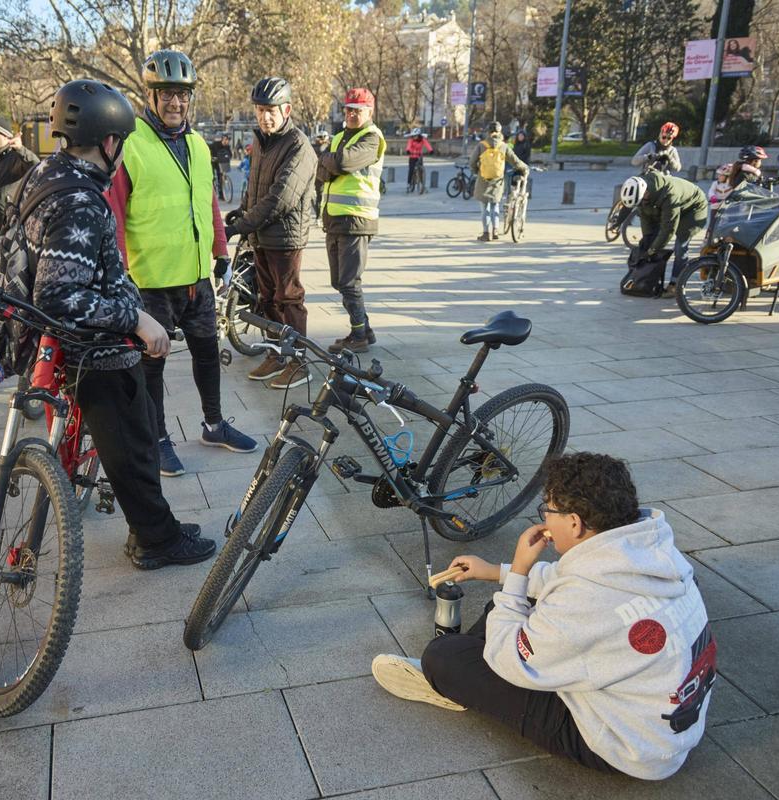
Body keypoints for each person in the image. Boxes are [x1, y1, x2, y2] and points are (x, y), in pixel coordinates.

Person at [371, 452, 713, 780]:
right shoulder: (649, 551)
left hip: (626, 747)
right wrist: (494, 571)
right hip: (661, 725)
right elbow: (573, 582)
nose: (543, 519)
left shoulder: (585, 599)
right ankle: (470, 666)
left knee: (442, 657)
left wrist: (520, 569)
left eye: (547, 510)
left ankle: (451, 681)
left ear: (575, 523)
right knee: (511, 602)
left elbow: (514, 660)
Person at [22, 79, 214, 569]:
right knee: (134, 444)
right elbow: (61, 294)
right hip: (96, 349)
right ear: (109, 142)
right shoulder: (82, 202)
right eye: (121, 144)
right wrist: (136, 320)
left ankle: (150, 527)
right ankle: (156, 540)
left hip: (76, 341)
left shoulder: (47, 173)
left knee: (130, 440)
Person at [105, 49, 258, 477]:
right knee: (152, 366)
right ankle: (158, 440)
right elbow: (114, 213)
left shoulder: (196, 144)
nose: (176, 103)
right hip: (150, 282)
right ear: (150, 95)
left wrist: (222, 253)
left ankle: (213, 424)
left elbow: (207, 202)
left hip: (196, 279)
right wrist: (119, 277)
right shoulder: (130, 143)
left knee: (208, 354)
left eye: (183, 95)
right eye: (167, 94)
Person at [224, 77, 317, 390]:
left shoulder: (298, 146)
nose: (265, 116)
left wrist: (241, 226)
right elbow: (254, 186)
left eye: (272, 110)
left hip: (286, 238)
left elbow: (281, 198)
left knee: (289, 298)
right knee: (267, 299)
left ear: (286, 110)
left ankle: (299, 361)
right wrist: (242, 210)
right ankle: (277, 353)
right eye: (261, 110)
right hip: (262, 236)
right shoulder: (262, 143)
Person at [316, 87, 386, 353]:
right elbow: (322, 171)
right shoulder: (338, 138)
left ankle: (358, 337)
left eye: (358, 110)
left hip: (357, 220)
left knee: (349, 282)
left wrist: (328, 161)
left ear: (369, 112)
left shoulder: (371, 137)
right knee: (339, 281)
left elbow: (343, 163)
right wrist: (329, 162)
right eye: (348, 109)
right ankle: (364, 330)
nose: (352, 114)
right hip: (335, 219)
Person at [622, 172, 708, 289]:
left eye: (641, 200)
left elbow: (668, 229)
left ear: (645, 192)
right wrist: (647, 240)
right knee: (649, 242)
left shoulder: (669, 195)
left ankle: (676, 283)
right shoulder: (641, 193)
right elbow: (646, 219)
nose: (641, 203)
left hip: (694, 209)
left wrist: (653, 249)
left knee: (680, 245)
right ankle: (644, 279)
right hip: (672, 208)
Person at [0, 117, 39, 245]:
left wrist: (21, 149)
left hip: (15, 229)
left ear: (6, 135)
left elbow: (36, 166)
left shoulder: (16, 156)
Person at [470, 120, 528, 242]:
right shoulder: (503, 146)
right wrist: (525, 168)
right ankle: (495, 231)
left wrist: (477, 172)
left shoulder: (482, 145)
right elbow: (515, 161)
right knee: (495, 205)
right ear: (500, 131)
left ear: (488, 132)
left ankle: (486, 233)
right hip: (497, 180)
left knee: (484, 207)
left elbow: (472, 162)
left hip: (483, 179)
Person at [209, 133, 233, 201]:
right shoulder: (216, 144)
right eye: (225, 140)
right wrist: (210, 156)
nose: (226, 141)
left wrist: (229, 157)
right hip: (213, 161)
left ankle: (221, 195)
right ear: (222, 140)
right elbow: (207, 148)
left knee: (221, 176)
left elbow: (230, 154)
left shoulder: (227, 146)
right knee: (213, 176)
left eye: (228, 140)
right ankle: (213, 189)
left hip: (221, 162)